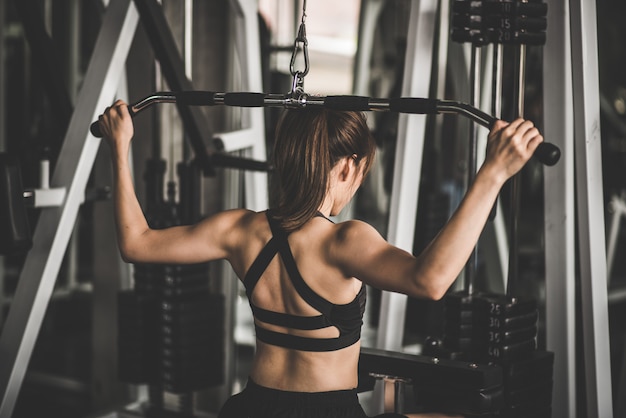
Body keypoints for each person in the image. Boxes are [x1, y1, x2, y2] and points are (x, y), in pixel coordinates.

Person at [97, 100, 543, 418]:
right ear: (347, 167)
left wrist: (119, 147)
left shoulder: (239, 231)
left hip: (250, 407)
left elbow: (136, 243)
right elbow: (431, 280)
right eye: (360, 174)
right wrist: (494, 173)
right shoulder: (344, 241)